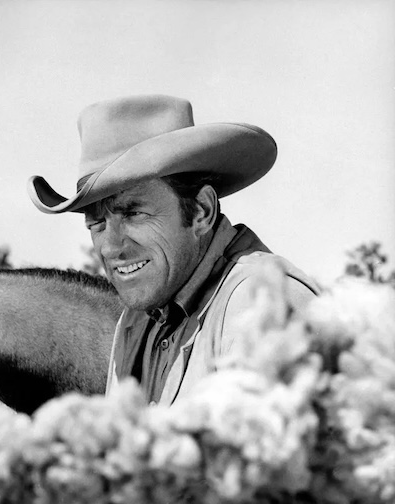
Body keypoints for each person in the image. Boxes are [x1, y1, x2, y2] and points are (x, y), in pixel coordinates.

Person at [27, 94, 319, 406]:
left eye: (134, 214)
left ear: (201, 212)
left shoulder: (260, 308)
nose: (111, 247)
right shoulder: (136, 323)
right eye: (96, 223)